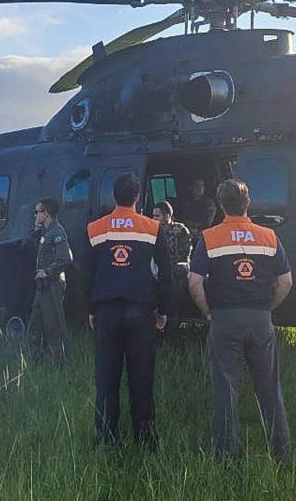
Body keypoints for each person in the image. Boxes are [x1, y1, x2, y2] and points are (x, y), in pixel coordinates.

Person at [188, 178, 293, 462]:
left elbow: (195, 282)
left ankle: (225, 454)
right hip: (260, 319)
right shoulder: (269, 236)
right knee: (270, 387)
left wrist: (208, 311)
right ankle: (281, 452)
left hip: (224, 318)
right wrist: (267, 307)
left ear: (222, 205)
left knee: (226, 387)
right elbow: (286, 281)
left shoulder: (209, 238)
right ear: (248, 204)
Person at [85, 173, 173, 447]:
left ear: (114, 196)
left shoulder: (95, 229)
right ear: (137, 197)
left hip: (107, 312)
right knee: (142, 378)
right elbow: (167, 271)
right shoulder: (152, 228)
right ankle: (146, 440)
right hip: (141, 312)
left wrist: (90, 308)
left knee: (107, 379)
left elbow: (86, 274)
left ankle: (107, 439)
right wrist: (164, 309)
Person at [24, 198, 72, 362]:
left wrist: (48, 272)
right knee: (35, 325)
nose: (35, 215)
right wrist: (36, 230)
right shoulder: (45, 232)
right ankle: (36, 361)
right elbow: (27, 245)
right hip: (42, 287)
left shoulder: (57, 232)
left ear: (46, 213)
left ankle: (59, 365)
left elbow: (65, 258)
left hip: (52, 286)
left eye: (37, 212)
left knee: (53, 327)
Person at [152, 200, 192, 331]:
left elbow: (183, 254)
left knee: (174, 278)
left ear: (167, 215)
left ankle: (172, 321)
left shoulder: (180, 230)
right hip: (156, 268)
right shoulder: (152, 230)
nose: (154, 219)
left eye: (157, 216)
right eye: (153, 216)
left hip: (176, 268)